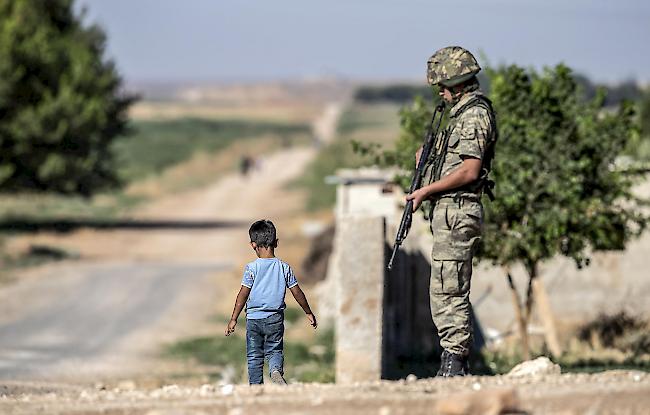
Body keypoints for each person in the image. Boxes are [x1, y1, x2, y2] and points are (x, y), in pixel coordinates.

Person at [406, 46, 497, 377]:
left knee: (449, 287)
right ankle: (453, 364)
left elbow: (470, 171)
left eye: (443, 86)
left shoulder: (474, 115)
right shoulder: (459, 116)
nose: (441, 93)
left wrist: (426, 190)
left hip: (459, 211)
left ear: (458, 83)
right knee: (444, 286)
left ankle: (454, 365)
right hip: (450, 211)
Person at [225, 219, 317, 385]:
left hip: (253, 319)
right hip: (275, 318)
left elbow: (242, 295)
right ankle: (275, 370)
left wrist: (233, 319)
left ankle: (255, 387)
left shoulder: (251, 268)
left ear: (253, 245)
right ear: (276, 242)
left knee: (254, 355)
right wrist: (308, 312)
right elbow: (297, 292)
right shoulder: (284, 267)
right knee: (275, 349)